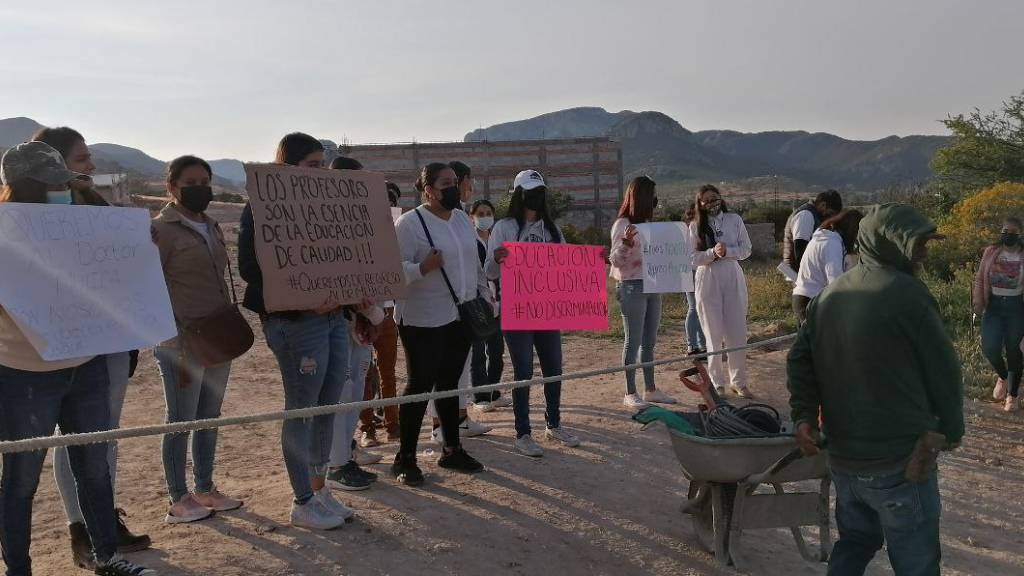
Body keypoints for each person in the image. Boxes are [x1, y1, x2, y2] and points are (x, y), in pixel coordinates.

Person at [0, 141, 154, 575]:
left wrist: (139, 248)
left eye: (63, 183)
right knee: (20, 479)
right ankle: (18, 569)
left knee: (94, 468)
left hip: (84, 366)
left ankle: (107, 557)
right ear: (25, 188)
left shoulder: (84, 227)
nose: (61, 191)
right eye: (51, 185)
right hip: (22, 374)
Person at [788, 203, 964, 576]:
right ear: (890, 244)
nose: (925, 252)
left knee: (855, 541)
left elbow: (800, 360)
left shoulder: (829, 296)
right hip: (898, 462)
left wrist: (804, 415)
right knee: (916, 561)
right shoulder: (909, 295)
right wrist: (950, 429)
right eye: (918, 244)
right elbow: (944, 372)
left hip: (844, 462)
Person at [238, 132, 353, 530]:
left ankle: (319, 489)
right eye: (312, 165)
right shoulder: (259, 208)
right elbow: (252, 270)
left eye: (323, 164)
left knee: (326, 407)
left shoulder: (330, 208)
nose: (320, 173)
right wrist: (305, 299)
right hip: (295, 323)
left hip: (334, 317)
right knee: (302, 409)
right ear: (289, 166)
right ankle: (301, 499)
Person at [152, 155, 244, 523]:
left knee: (209, 414)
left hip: (217, 333)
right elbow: (150, 285)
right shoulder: (160, 230)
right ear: (171, 188)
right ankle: (178, 497)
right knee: (180, 418)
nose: (199, 187)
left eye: (204, 180)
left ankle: (205, 487)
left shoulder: (213, 226)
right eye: (190, 182)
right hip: (180, 339)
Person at [391, 163, 488, 485]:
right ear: (428, 189)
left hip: (459, 314)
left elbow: (473, 262)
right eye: (445, 183)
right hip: (422, 318)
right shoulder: (410, 223)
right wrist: (422, 267)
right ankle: (405, 457)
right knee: (419, 385)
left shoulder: (461, 217)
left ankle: (452, 449)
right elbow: (393, 270)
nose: (454, 188)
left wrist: (484, 296)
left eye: (455, 182)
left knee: (449, 384)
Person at [486, 169, 581, 458]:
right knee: (523, 371)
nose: (536, 197)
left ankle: (554, 423)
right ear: (519, 194)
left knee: (554, 368)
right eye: (530, 191)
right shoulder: (503, 228)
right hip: (517, 310)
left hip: (548, 309)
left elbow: (567, 266)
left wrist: (591, 261)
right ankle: (523, 432)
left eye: (540, 191)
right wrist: (497, 259)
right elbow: (489, 272)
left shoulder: (553, 230)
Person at [610, 176, 676, 409]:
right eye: (653, 195)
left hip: (652, 285)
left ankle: (650, 389)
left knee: (649, 341)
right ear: (643, 197)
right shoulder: (623, 224)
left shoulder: (649, 225)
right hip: (631, 286)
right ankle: (630, 392)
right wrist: (626, 243)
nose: (656, 200)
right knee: (633, 340)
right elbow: (615, 261)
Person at [689, 184, 754, 398]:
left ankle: (739, 381)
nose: (712, 203)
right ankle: (717, 381)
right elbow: (692, 258)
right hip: (708, 278)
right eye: (706, 200)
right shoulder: (695, 226)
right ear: (700, 204)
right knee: (713, 333)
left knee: (737, 332)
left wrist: (727, 251)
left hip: (732, 275)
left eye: (715, 198)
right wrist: (711, 253)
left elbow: (746, 250)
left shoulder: (734, 220)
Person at [359, 182, 402, 446]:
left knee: (387, 372)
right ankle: (367, 429)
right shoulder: (357, 233)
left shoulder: (397, 232)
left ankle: (392, 423)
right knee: (365, 372)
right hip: (361, 310)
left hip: (387, 309)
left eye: (392, 201)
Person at [973, 216, 1024, 412]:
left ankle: (1012, 396)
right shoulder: (991, 252)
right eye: (1005, 231)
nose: (1007, 235)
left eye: (1012, 232)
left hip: (1016, 307)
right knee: (990, 348)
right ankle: (1002, 377)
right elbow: (979, 279)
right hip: (993, 306)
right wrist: (978, 302)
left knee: (1014, 350)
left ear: (1018, 234)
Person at [468, 199, 512, 412]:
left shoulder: (498, 240)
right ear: (472, 217)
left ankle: (494, 392)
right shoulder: (469, 240)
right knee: (477, 352)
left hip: (497, 301)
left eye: (488, 213)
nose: (485, 217)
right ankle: (480, 396)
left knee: (496, 350)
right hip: (475, 302)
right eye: (480, 214)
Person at [792, 209, 864, 324]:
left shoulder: (822, 238)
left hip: (802, 298)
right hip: (813, 301)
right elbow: (835, 282)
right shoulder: (832, 244)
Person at [782, 189, 843, 273]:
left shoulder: (812, 214)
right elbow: (800, 248)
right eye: (830, 213)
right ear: (823, 205)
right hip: (796, 271)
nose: (830, 217)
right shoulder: (806, 215)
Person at [682, 202, 707, 356]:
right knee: (694, 309)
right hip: (693, 271)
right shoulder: (694, 226)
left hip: (692, 271)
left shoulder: (689, 227)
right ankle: (693, 345)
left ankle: (700, 344)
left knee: (698, 309)